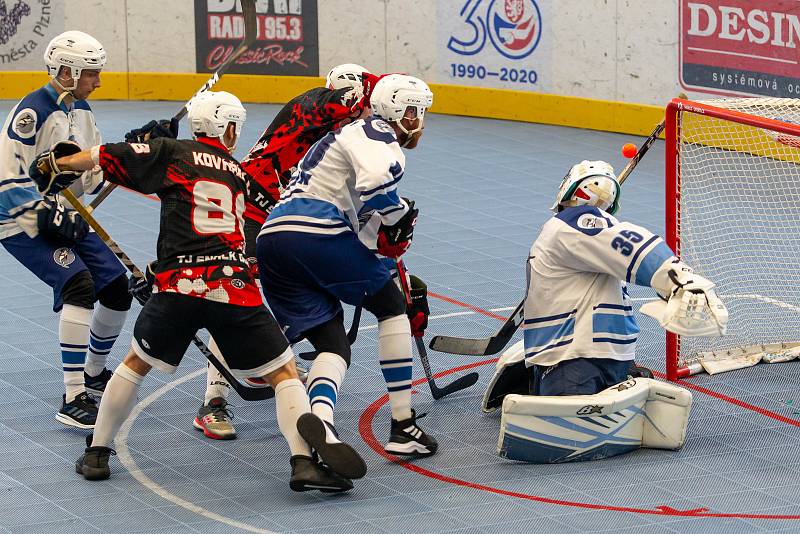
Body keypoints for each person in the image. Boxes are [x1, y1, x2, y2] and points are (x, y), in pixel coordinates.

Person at [30, 90, 364, 492]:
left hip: (180, 286)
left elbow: (105, 154)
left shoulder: (173, 153)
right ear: (226, 127)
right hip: (232, 285)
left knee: (136, 364)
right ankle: (302, 463)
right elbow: (226, 234)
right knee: (284, 373)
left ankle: (97, 453)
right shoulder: (238, 173)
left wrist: (58, 163)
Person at [186, 63, 375, 440]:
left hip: (286, 223)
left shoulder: (348, 143)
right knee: (240, 297)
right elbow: (335, 105)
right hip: (250, 212)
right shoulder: (310, 107)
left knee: (301, 290)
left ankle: (264, 361)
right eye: (358, 107)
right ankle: (214, 401)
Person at [257, 74, 439, 458]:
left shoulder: (340, 138)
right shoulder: (376, 132)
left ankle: (320, 421)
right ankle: (402, 426)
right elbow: (376, 185)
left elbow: (359, 214)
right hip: (316, 229)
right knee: (392, 307)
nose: (416, 121)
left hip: (272, 238)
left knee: (333, 342)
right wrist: (397, 217)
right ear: (393, 110)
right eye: (412, 112)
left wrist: (387, 224)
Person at [0, 31, 131, 429]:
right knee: (78, 283)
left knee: (116, 287)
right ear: (67, 71)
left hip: (63, 213)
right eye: (92, 73)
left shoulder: (82, 111)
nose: (98, 81)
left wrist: (136, 150)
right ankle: (73, 396)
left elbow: (90, 178)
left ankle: (93, 373)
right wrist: (49, 217)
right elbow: (7, 184)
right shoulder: (32, 112)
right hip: (19, 221)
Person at [522, 160, 728, 396]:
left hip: (574, 358)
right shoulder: (570, 231)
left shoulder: (568, 225)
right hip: (595, 357)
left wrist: (678, 279)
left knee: (572, 430)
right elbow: (626, 244)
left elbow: (629, 243)